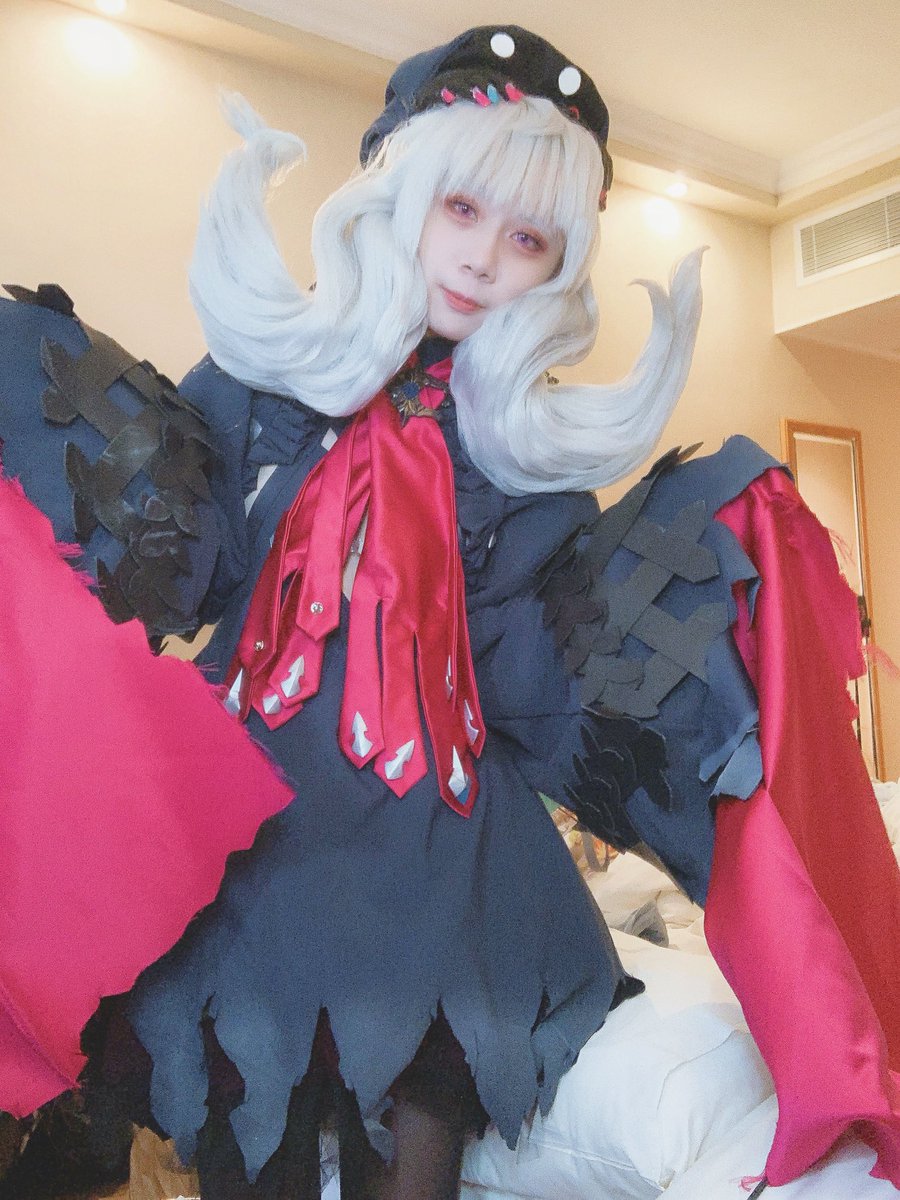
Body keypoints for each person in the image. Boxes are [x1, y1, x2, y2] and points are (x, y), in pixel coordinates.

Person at [0, 23, 899, 1200]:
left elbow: (531, 686)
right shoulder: (261, 386)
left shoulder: (534, 464)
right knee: (253, 1158)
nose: (482, 260)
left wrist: (694, 579)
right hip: (253, 869)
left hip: (445, 886)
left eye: (528, 239)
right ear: (402, 198)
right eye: (462, 210)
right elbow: (191, 567)